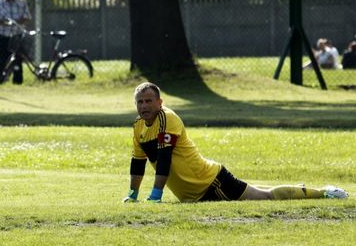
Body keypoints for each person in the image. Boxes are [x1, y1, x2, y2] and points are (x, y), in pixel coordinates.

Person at [123, 82, 348, 203]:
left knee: (265, 197)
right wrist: (133, 195)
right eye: (140, 102)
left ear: (160, 102)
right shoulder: (138, 126)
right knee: (264, 195)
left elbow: (165, 158)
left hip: (212, 182)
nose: (144, 106)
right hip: (192, 196)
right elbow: (137, 162)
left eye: (149, 101)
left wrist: (156, 195)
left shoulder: (167, 117)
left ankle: (325, 192)